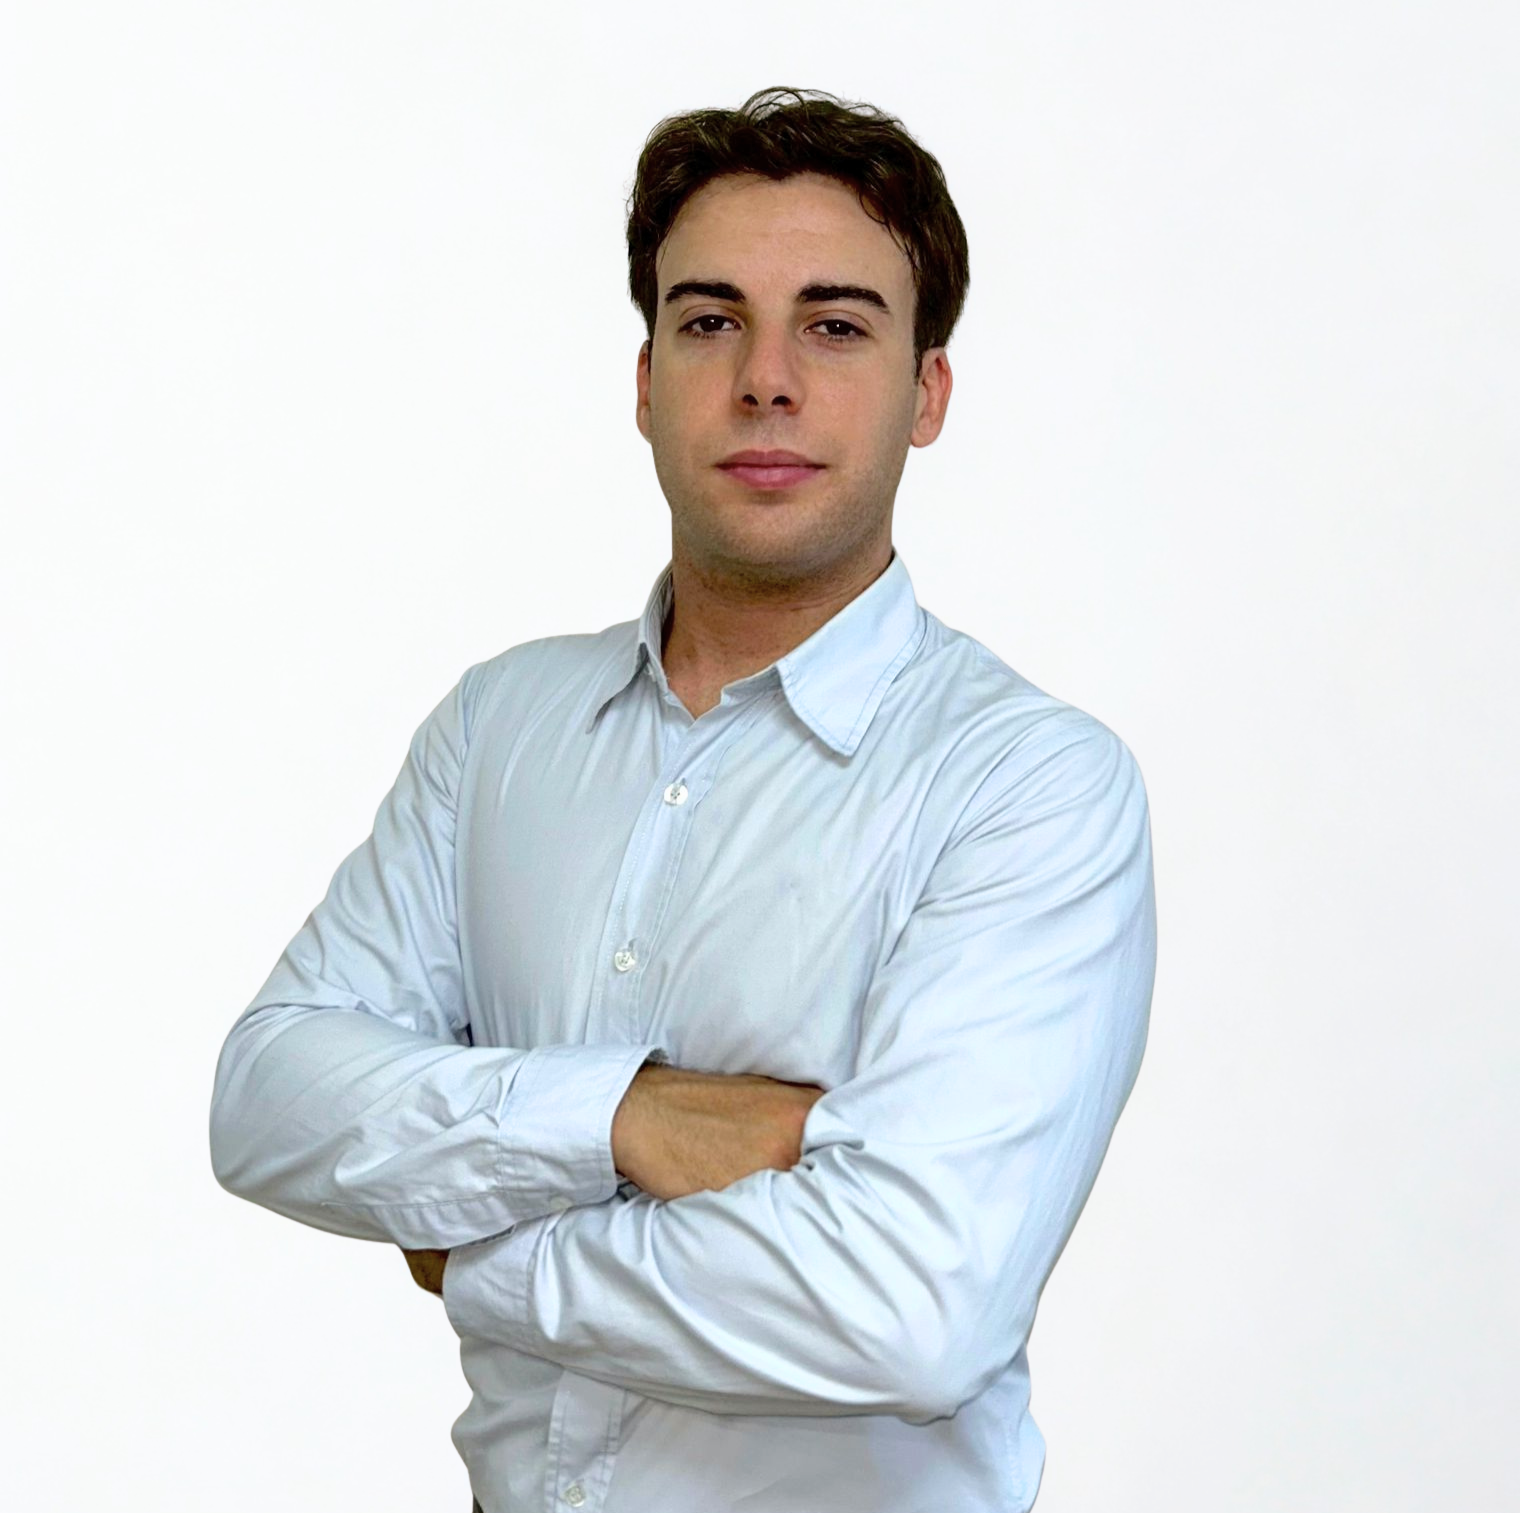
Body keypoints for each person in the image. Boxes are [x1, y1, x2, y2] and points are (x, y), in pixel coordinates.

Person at [210, 85, 1157, 1513]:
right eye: (713, 321)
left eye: (836, 327)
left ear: (929, 393)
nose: (767, 379)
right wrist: (624, 1119)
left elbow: (910, 1310)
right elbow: (270, 1095)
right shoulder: (502, 726)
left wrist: (476, 1248)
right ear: (646, 379)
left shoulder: (1028, 787)